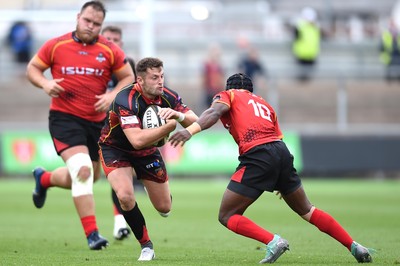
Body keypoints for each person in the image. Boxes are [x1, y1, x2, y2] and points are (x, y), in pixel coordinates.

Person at [169, 73, 374, 264]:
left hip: (258, 154)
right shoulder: (265, 105)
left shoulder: (229, 95)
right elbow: (279, 139)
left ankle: (273, 241)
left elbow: (214, 111)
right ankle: (354, 246)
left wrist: (189, 131)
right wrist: (279, 175)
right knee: (307, 210)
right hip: (281, 153)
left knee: (227, 215)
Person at [26, 1, 135, 250]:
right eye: (87, 21)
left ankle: (44, 179)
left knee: (90, 176)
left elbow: (128, 77)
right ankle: (92, 235)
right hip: (65, 119)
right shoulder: (56, 45)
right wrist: (44, 84)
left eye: (96, 24)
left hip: (97, 124)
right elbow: (32, 68)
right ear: (78, 17)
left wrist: (111, 96)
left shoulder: (108, 49)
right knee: (83, 170)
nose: (91, 26)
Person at [98, 57, 198, 261]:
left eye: (162, 76)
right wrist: (168, 127)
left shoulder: (169, 96)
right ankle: (146, 246)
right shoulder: (125, 99)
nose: (160, 81)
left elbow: (197, 121)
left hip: (148, 152)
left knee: (164, 207)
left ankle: (155, 188)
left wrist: (178, 116)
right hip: (115, 148)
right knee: (125, 196)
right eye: (154, 78)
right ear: (140, 80)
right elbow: (136, 140)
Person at [101, 25, 143, 241]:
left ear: (121, 43)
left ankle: (119, 223)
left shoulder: (128, 68)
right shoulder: (94, 68)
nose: (111, 42)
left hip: (116, 133)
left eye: (115, 39)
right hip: (95, 128)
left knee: (118, 174)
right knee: (81, 175)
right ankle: (45, 179)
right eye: (107, 38)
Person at [292, 7, 321, 81]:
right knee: (302, 77)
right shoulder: (299, 26)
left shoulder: (315, 27)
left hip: (312, 54)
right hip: (302, 54)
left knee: (308, 77)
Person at [202, 43, 225, 108]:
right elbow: (204, 77)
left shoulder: (220, 65)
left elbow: (222, 77)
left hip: (218, 90)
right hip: (209, 89)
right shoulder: (207, 64)